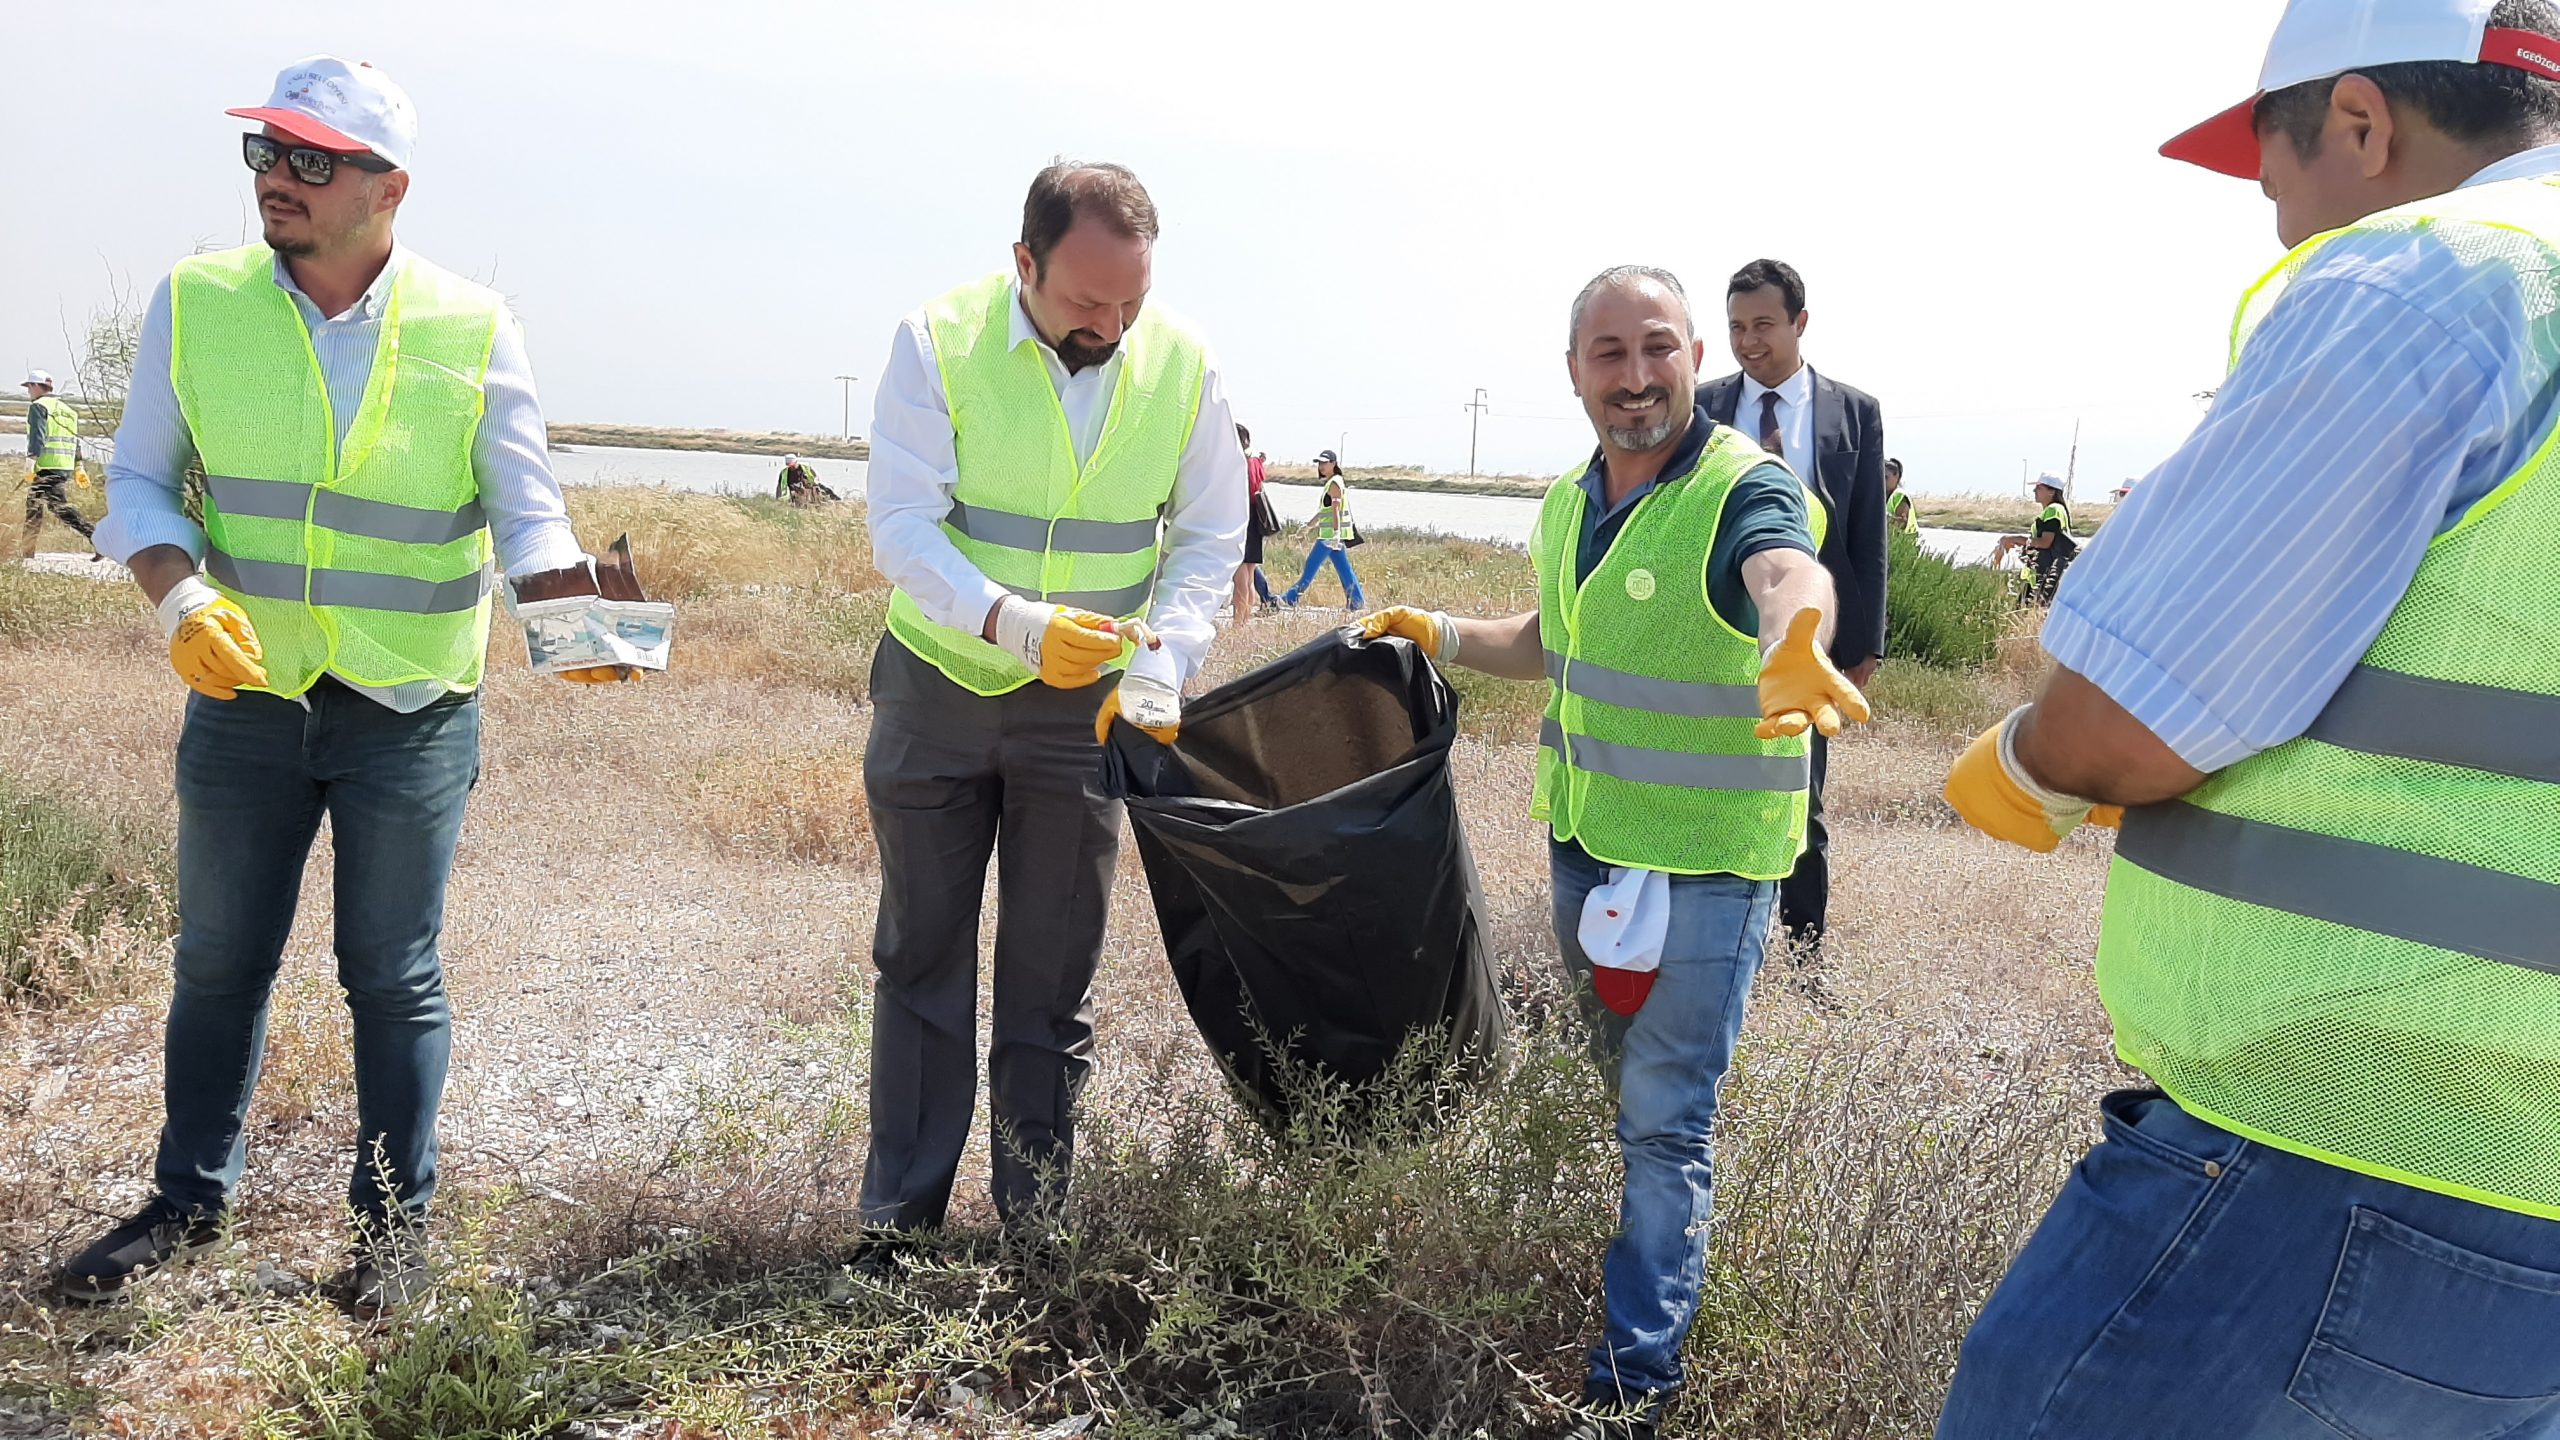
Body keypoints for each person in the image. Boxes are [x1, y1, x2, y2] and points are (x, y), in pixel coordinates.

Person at [1939, 1, 2560, 1432]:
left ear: (2361, 122)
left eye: (2273, 173)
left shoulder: (2426, 283)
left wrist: (2031, 760)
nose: (2278, 224)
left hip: (2344, 1152)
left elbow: (2136, 712)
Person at [54, 56, 636, 1312]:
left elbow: (528, 519)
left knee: (394, 973)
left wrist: (580, 625)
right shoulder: (198, 301)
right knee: (217, 961)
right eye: (265, 152)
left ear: (388, 187)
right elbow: (142, 484)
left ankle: (390, 1239)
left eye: (311, 160)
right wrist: (179, 596)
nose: (277, 179)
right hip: (246, 697)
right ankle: (188, 1203)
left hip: (409, 712)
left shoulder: (471, 326)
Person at [1364, 266, 1870, 1440]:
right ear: (1575, 371)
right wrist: (1434, 630)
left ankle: (1631, 1387)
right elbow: (1554, 639)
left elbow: (1786, 571)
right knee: (1627, 1099)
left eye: (1658, 350)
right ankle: (1660, 1288)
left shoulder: (1745, 487)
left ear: (1699, 356)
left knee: (1664, 1117)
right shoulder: (1566, 503)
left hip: (1709, 861)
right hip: (1590, 855)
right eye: (1609, 354)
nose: (1635, 377)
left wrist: (1798, 638)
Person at [858, 162, 1245, 1250]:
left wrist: (1164, 661)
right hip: (940, 686)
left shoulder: (1183, 362)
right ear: (1023, 263)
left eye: (1130, 301)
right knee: (922, 960)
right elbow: (900, 523)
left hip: (1086, 717)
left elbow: (1211, 539)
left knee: (1050, 975)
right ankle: (900, 1228)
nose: (1113, 326)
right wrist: (1011, 624)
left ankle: (1036, 1232)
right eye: (1086, 303)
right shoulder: (935, 341)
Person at [1699, 259, 1888, 959]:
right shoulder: (1702, 405)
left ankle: (1804, 949)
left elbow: (1866, 534)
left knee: (1799, 796)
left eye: (1764, 326)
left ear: (1800, 323)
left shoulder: (1854, 411)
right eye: (1736, 328)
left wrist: (1865, 643)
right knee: (1711, 783)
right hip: (1715, 626)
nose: (1749, 342)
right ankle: (1716, 937)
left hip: (1812, 633)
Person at [19, 369, 98, 560]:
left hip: (46, 466)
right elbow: (75, 441)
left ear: (37, 386)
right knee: (35, 507)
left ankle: (97, 538)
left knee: (58, 509)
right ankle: (27, 553)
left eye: (29, 386)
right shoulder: (68, 411)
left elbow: (38, 436)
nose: (29, 391)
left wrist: (31, 461)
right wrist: (79, 466)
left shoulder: (39, 406)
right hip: (63, 466)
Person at [1279, 449, 1365, 609]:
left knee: (1311, 566)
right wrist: (1308, 527)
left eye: (1325, 463)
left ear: (1333, 464)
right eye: (1320, 463)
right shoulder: (1333, 482)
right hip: (1331, 535)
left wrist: (1336, 534)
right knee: (1345, 570)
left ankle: (1291, 598)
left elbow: (1335, 509)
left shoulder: (1334, 483)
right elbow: (1324, 511)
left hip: (1330, 535)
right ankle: (1357, 602)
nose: (1321, 466)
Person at [1992, 473, 2078, 606]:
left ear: (2051, 491)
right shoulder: (2054, 510)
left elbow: (2045, 542)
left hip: (2045, 573)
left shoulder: (2053, 510)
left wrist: (2015, 539)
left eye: (2039, 488)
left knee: (2024, 612)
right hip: (2044, 574)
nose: (2034, 491)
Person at [1232, 422, 1277, 617]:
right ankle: (1244, 619)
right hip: (1255, 520)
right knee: (1249, 574)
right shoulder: (1256, 461)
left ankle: (1238, 620)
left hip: (1242, 517)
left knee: (1240, 575)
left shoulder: (1240, 463)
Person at [1884, 457, 1918, 534]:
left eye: (1886, 477)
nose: (1883, 481)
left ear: (1896, 476)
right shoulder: (1885, 496)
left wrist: (1886, 519)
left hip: (1907, 541)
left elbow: (1901, 524)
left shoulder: (1899, 495)